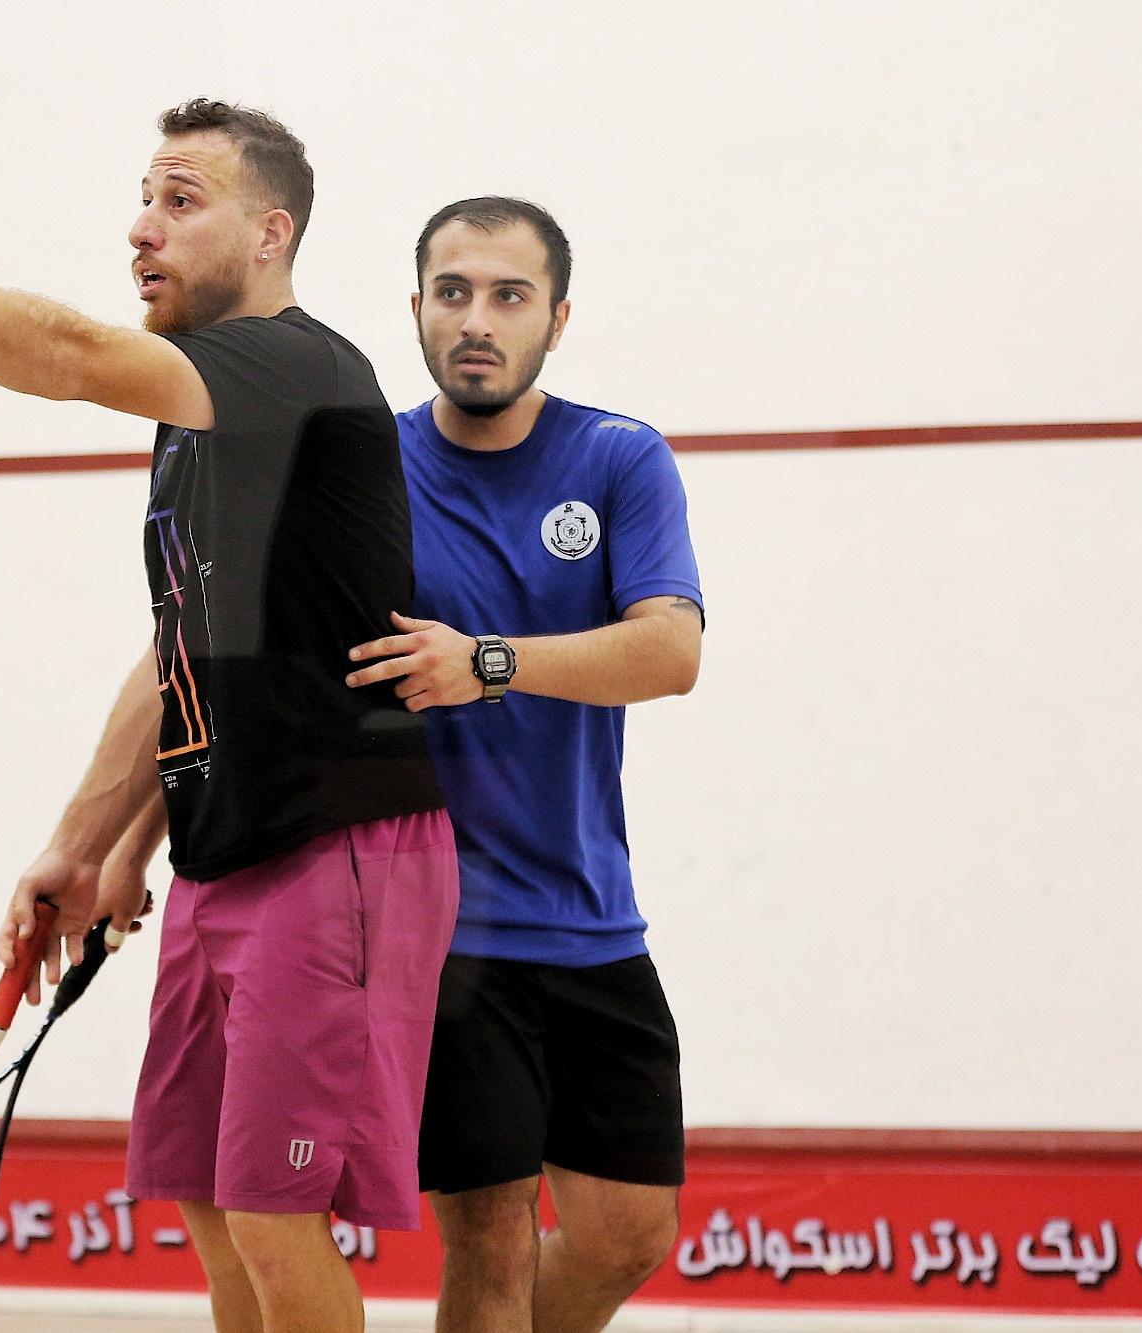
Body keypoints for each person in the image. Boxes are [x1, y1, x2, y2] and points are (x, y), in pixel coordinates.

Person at [0, 101, 457, 1333]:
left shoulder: (296, 369)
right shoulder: (198, 424)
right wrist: (92, 843)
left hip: (337, 851)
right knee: (209, 1200)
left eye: (179, 201)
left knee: (274, 1217)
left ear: (270, 235)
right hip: (220, 857)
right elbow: (183, 644)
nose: (140, 228)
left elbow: (67, 352)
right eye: (141, 201)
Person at [342, 197, 704, 1333]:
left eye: (509, 295)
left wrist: (486, 662)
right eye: (452, 293)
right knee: (490, 1244)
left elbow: (670, 652)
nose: (477, 320)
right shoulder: (365, 470)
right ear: (416, 308)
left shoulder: (618, 457)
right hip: (443, 930)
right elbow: (218, 646)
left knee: (627, 1233)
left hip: (593, 916)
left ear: (557, 317)